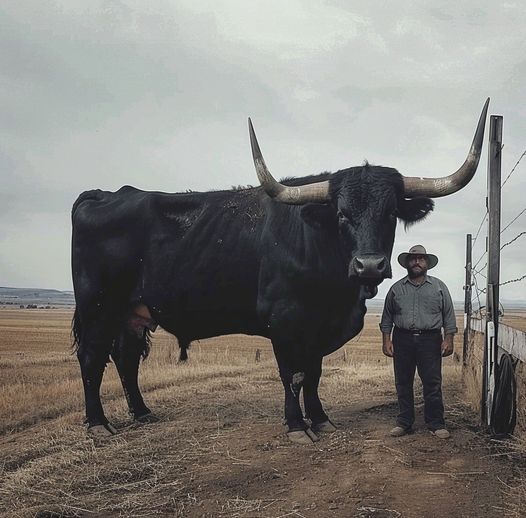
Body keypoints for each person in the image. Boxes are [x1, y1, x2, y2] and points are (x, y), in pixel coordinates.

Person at [380, 245, 457, 439]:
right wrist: (386, 340)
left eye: (421, 259)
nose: (417, 262)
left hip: (430, 340)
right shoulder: (396, 288)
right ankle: (404, 422)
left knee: (432, 382)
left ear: (427, 263)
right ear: (407, 263)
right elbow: (387, 316)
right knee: (403, 382)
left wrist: (449, 338)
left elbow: (448, 314)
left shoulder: (439, 287)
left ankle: (436, 423)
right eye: (413, 259)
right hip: (402, 338)